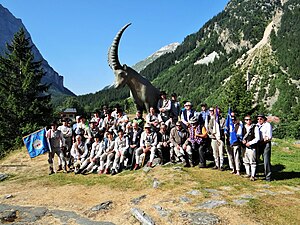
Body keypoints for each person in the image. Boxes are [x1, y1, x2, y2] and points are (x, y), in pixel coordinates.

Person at [242, 115, 260, 181]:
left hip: (251, 147)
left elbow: (257, 138)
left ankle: (253, 175)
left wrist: (250, 143)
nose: (248, 121)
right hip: (244, 147)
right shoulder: (243, 127)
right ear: (245, 120)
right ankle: (248, 173)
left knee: (252, 162)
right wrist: (242, 141)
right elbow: (240, 135)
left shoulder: (255, 127)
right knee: (245, 161)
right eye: (246, 120)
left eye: (249, 119)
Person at [257, 114, 272, 181]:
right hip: (258, 144)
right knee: (256, 159)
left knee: (266, 160)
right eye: (258, 119)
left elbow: (269, 136)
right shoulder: (257, 125)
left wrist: (263, 141)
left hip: (265, 144)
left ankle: (268, 177)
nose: (259, 120)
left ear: (264, 119)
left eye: (261, 119)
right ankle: (255, 174)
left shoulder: (267, 125)